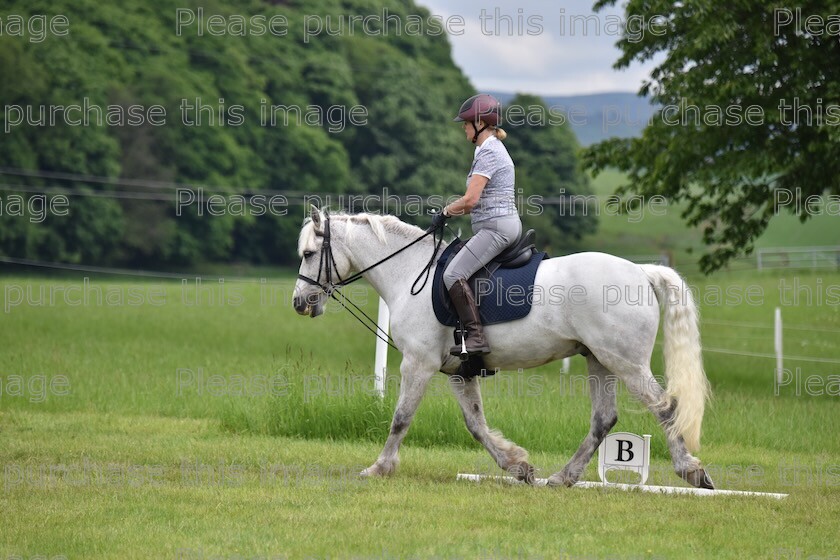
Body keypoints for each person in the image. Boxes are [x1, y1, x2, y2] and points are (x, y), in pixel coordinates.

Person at [432, 93, 522, 357]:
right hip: (495, 226)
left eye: (467, 122)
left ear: (481, 123)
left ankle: (476, 337)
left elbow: (470, 200)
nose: (464, 126)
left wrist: (445, 212)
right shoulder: (486, 150)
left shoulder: (490, 152)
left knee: (452, 274)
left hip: (496, 228)